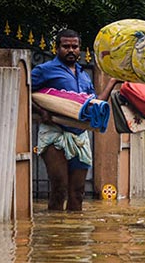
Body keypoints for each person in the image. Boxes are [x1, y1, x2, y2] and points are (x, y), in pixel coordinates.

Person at [32, 29, 119, 211]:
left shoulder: (84, 76)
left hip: (80, 137)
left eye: (75, 46)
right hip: (54, 134)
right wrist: (41, 112)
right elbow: (22, 90)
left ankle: (73, 237)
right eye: (66, 46)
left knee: (78, 192)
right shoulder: (44, 70)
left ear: (80, 48)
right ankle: (56, 235)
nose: (71, 50)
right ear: (57, 48)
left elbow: (94, 106)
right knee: (60, 188)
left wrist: (111, 83)